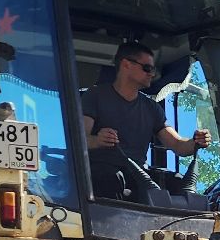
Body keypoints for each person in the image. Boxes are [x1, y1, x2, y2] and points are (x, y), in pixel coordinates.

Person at [81, 44, 210, 194]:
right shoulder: (95, 95)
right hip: (99, 174)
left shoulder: (152, 108)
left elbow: (176, 144)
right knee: (111, 179)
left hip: (137, 174)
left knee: (177, 184)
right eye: (147, 68)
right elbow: (80, 139)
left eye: (153, 70)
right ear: (126, 65)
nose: (152, 74)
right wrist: (97, 140)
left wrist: (195, 142)